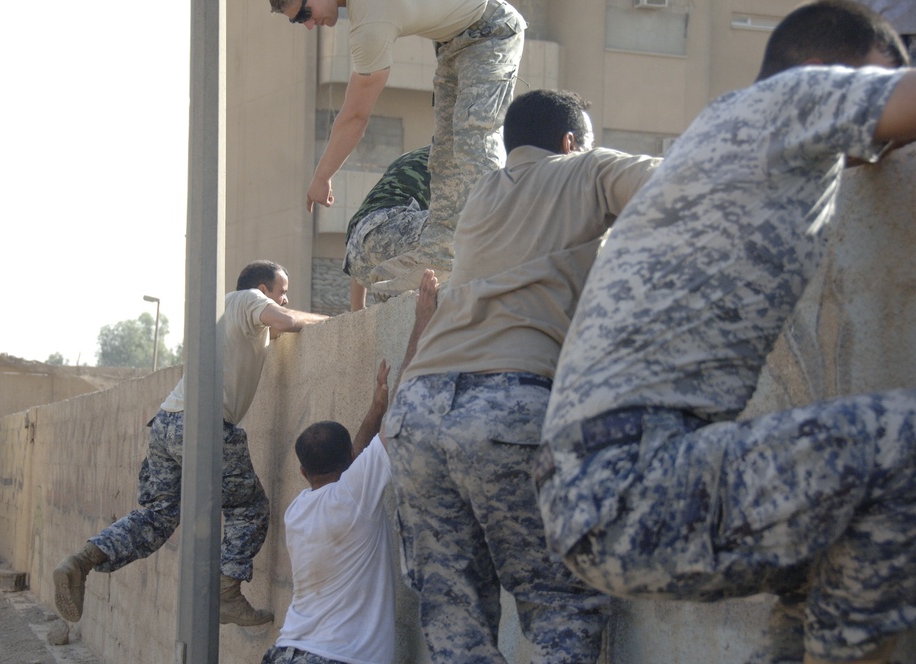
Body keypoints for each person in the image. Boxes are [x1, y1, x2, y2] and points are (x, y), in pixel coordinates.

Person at [535, 3, 916, 663]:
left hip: (598, 487)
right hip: (631, 483)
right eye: (874, 86)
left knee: (821, 550)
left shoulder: (724, 131)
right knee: (904, 441)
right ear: (832, 72)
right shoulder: (793, 97)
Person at [380, 89, 661, 663]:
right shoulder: (584, 167)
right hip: (507, 402)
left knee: (452, 608)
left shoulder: (482, 195)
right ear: (569, 141)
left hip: (418, 409)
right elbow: (685, 177)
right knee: (561, 601)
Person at [53, 261, 328, 627]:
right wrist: (326, 320)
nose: (286, 298)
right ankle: (227, 593)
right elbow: (287, 322)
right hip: (204, 423)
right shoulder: (247, 299)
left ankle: (81, 561)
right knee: (250, 509)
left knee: (158, 515)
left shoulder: (227, 315)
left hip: (167, 421)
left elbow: (271, 333)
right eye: (282, 291)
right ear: (262, 290)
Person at [270, 0, 526, 294]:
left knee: (473, 139)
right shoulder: (364, 19)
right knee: (443, 157)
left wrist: (321, 177)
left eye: (304, 13)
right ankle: (437, 259)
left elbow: (355, 116)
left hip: (491, 30)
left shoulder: (369, 23)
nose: (308, 24)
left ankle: (500, 245)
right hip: (453, 44)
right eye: (298, 21)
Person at [262, 272, 438, 664]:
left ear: (304, 474)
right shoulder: (355, 494)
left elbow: (358, 454)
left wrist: (377, 407)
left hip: (287, 651)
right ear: (350, 464)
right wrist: (423, 318)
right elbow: (406, 400)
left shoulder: (298, 511)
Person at [343, 145, 431, 311]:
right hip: (391, 229)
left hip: (356, 256)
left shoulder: (408, 157)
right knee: (473, 222)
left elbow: (370, 239)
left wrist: (358, 310)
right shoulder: (461, 156)